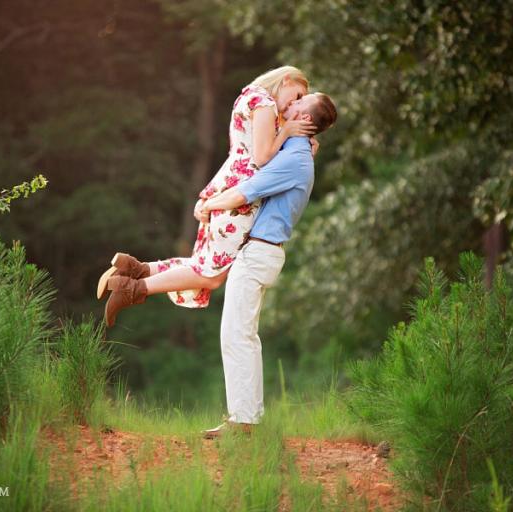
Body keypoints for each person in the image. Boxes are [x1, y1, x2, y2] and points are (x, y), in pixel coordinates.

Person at [97, 66, 316, 327]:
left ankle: (135, 269)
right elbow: (262, 158)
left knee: (205, 265)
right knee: (210, 275)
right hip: (240, 198)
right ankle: (132, 288)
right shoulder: (265, 104)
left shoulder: (249, 96)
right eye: (298, 94)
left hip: (229, 184)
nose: (297, 102)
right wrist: (288, 132)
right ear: (287, 79)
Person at [197, 92, 338, 438]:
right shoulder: (294, 150)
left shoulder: (297, 158)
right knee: (241, 334)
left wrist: (207, 205)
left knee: (237, 334)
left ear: (305, 118)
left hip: (260, 252)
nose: (289, 106)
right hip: (260, 251)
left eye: (298, 105)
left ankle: (243, 423)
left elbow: (246, 191)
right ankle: (245, 419)